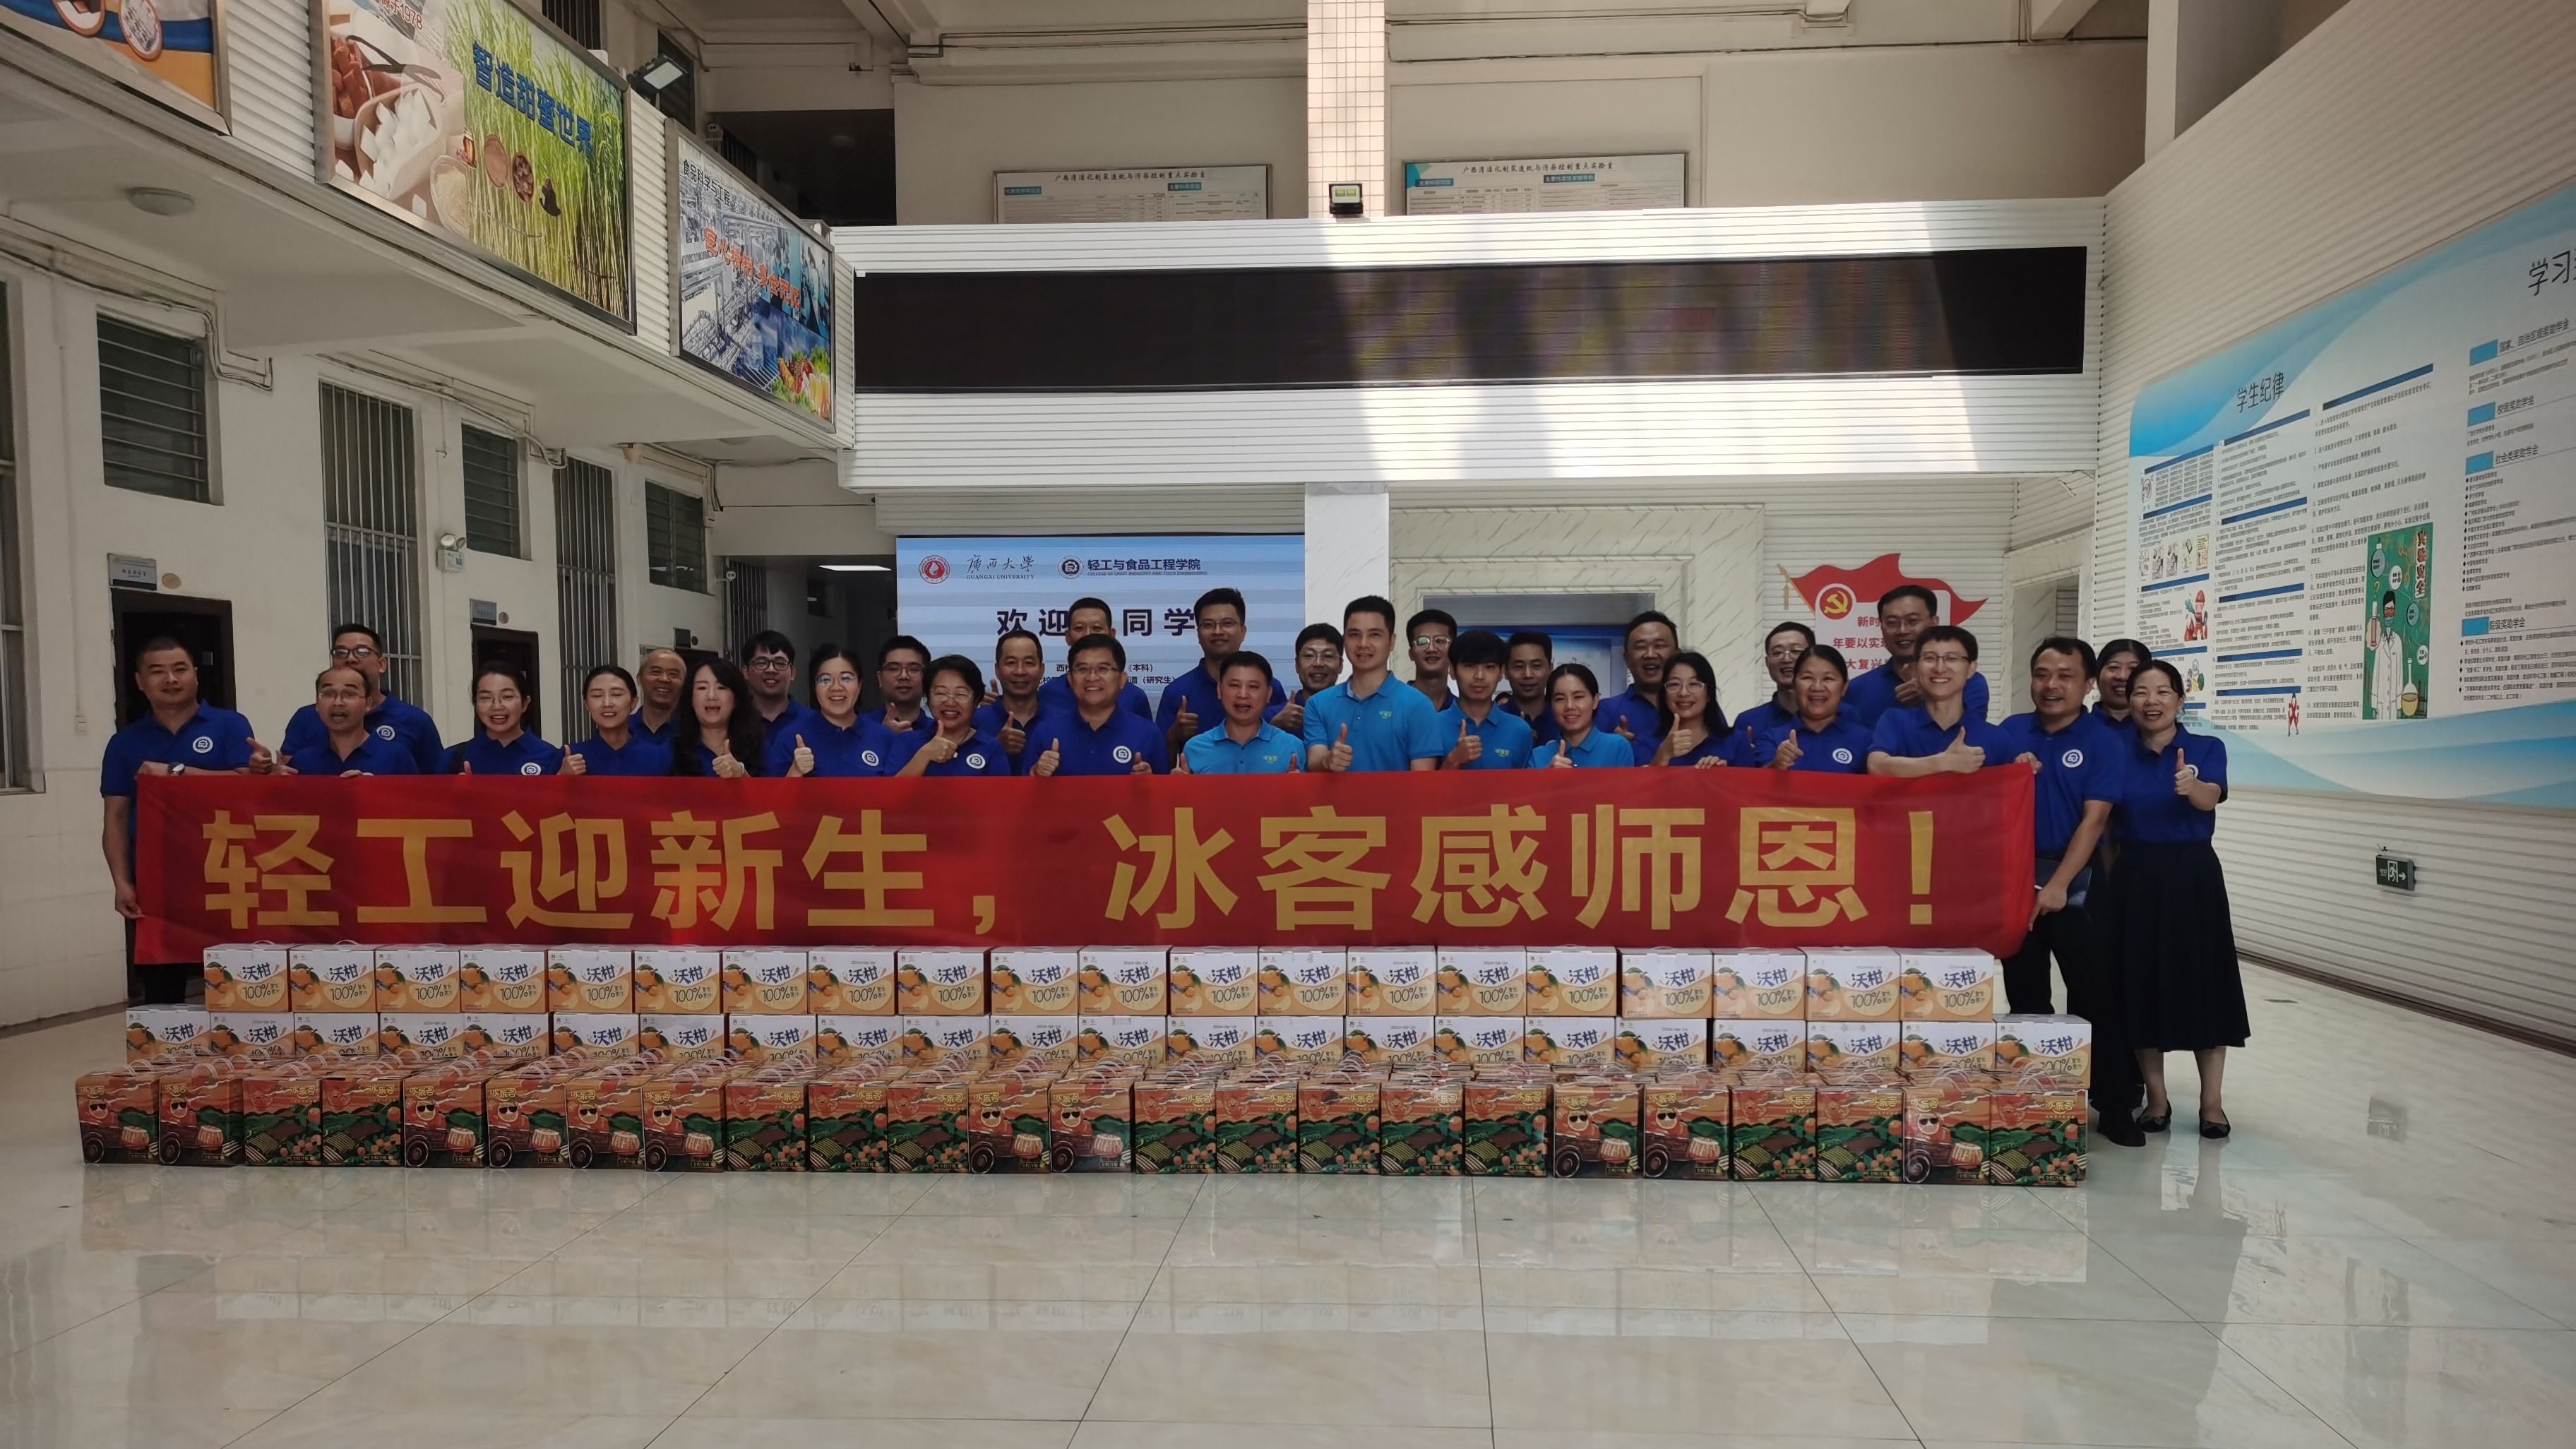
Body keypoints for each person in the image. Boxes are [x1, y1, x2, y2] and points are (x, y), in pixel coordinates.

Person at [1995, 637, 2142, 1147]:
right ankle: (2034, 1102)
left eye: (2065, 675)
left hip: (2078, 882)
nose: (2051, 685)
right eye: (2042, 674)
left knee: (2095, 994)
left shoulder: (2103, 741)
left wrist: (2059, 885)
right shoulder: (2011, 732)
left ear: (2088, 684)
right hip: (2015, 881)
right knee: (2026, 996)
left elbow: (2094, 820)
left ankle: (2115, 1104)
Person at [2097, 661, 2246, 1139]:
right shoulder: (2116, 751)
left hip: (2194, 876)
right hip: (2135, 877)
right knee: (2140, 985)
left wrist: (2191, 787)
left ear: (2181, 700)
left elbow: (2211, 797)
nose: (2151, 701)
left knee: (2206, 986)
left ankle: (2212, 1104)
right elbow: (2105, 824)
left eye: (2163, 691)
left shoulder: (2206, 747)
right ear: (2129, 701)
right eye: (2141, 692)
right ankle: (2156, 1100)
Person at [100, 637, 260, 1002]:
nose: (171, 679)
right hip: (158, 883)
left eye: (180, 669)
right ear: (140, 681)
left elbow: (249, 787)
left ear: (196, 676)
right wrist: (122, 881)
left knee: (237, 988)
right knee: (162, 996)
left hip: (228, 876)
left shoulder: (230, 726)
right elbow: (115, 817)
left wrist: (177, 772)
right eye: (158, 672)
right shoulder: (125, 743)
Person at [1302, 596, 1445, 773]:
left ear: (1392, 641)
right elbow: (1314, 763)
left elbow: (1423, 781)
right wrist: (1328, 760)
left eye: (1374, 635)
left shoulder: (1418, 705)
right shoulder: (1318, 704)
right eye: (1354, 635)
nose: (1363, 644)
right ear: (1344, 640)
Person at [278, 623, 443, 773]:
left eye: (362, 652)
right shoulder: (306, 718)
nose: (350, 659)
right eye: (341, 652)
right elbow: (290, 774)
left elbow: (435, 784)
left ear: (381, 664)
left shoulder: (414, 722)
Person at [1866, 625, 2014, 775]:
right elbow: (1876, 766)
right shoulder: (1895, 722)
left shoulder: (1996, 738)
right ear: (1916, 667)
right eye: (1929, 658)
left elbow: (2012, 785)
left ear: (1971, 668)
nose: (1940, 668)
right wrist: (1943, 762)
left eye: (1952, 658)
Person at [1157, 588, 1285, 754]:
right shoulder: (1177, 692)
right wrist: (1173, 736)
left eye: (1227, 624)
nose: (1218, 632)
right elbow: (1158, 762)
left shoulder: (1269, 687)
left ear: (1243, 631)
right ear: (1198, 634)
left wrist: (1272, 722)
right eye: (1208, 625)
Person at [1844, 585, 1990, 729]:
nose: (1902, 630)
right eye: (1892, 623)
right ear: (1882, 627)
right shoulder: (1857, 689)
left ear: (1934, 623)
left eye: (1913, 621)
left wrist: (1932, 698)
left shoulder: (1969, 682)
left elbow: (1973, 736)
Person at [1028, 634, 1169, 776]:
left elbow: (1166, 788)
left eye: (1103, 669)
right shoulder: (1045, 733)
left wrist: (1151, 782)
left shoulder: (1149, 734)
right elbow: (1025, 788)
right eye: (1083, 669)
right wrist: (1036, 773)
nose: (1092, 677)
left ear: (1122, 679)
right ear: (1070, 679)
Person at [773, 645, 895, 777]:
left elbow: (898, 789)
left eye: (846, 678)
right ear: (814, 687)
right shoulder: (790, 738)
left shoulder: (885, 738)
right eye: (825, 680)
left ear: (859, 685)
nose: (836, 687)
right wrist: (796, 771)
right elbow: (773, 791)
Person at [1747, 645, 1873, 773]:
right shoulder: (1772, 738)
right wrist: (1778, 765)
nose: (1817, 687)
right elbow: (1758, 783)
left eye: (1828, 679)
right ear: (1795, 685)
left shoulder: (1866, 740)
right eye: (1807, 678)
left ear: (1844, 688)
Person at [1176, 651, 1305, 775]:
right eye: (1234, 685)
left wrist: (1298, 786)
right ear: (1220, 690)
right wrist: (1179, 786)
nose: (1243, 695)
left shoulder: (1292, 747)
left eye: (1253, 686)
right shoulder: (1195, 748)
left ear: (1268, 694)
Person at [281, 664, 421, 776]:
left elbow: (415, 802)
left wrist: (374, 790)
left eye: (349, 694)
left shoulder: (396, 757)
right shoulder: (303, 761)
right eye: (328, 694)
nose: (338, 702)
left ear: (368, 704)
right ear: (317, 704)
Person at [891, 656, 1010, 777]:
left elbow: (1003, 790)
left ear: (976, 700)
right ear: (927, 697)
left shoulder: (991, 748)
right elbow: (890, 789)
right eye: (941, 693)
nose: (950, 702)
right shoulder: (907, 742)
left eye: (961, 694)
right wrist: (924, 756)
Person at [1038, 597, 1152, 719]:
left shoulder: (1135, 697)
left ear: (1111, 634)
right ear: (1068, 636)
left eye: (1097, 628)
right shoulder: (1048, 693)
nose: (1088, 635)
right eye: (1079, 628)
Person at [1438, 629, 1534, 770]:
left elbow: (1526, 784)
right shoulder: (1433, 726)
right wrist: (1452, 761)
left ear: (1501, 672)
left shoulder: (1520, 730)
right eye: (1469, 666)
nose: (1479, 676)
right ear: (1452, 670)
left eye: (1489, 667)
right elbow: (1421, 784)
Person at [443, 664, 562, 775]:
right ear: (475, 704)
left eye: (507, 697)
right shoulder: (454, 758)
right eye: (486, 698)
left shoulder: (551, 757)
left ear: (525, 703)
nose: (497, 706)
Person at [563, 666, 674, 777]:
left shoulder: (660, 757)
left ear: (634, 702)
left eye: (617, 694)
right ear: (586, 704)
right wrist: (562, 777)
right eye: (597, 696)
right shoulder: (571, 756)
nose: (607, 703)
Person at [669, 657, 767, 777]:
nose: (711, 696)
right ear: (691, 699)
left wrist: (742, 774)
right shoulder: (671, 748)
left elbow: (774, 789)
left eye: (721, 688)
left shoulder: (759, 747)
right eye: (702, 688)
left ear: (736, 699)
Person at [974, 629, 1048, 773]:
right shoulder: (974, 722)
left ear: (1042, 670)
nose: (1020, 671)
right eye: (1011, 663)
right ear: (997, 670)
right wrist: (995, 747)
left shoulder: (1060, 721)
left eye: (1029, 663)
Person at [1597, 611, 1678, 741]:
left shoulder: (1692, 706)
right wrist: (1614, 748)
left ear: (1677, 655)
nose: (1650, 654)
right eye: (1641, 647)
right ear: (1626, 658)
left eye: (1659, 646)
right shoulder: (1606, 711)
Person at [1532, 664, 1633, 768]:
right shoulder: (1538, 756)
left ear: (1595, 701)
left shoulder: (1618, 747)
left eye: (1578, 697)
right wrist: (1548, 775)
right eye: (1560, 699)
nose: (1570, 706)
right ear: (1551, 705)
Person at [1734, 621, 1815, 745]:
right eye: (1777, 652)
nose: (1786, 659)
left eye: (1796, 651)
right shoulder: (1748, 722)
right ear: (1767, 662)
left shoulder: (1835, 717)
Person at [1642, 652, 1730, 766]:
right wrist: (1663, 756)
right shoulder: (1645, 743)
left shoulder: (1736, 742)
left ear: (1709, 694)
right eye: (1674, 684)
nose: (1683, 693)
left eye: (1694, 684)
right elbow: (1639, 778)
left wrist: (1725, 774)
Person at [1285, 623, 1343, 734]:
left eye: (1328, 656)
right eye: (1309, 656)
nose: (1318, 664)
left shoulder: (1354, 714)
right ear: (1297, 665)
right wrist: (1275, 727)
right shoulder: (1275, 716)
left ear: (1340, 665)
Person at [1504, 631, 1559, 745]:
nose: (1528, 675)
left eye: (1536, 666)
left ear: (1550, 669)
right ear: (1505, 671)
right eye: (1519, 667)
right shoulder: (1493, 721)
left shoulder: (1564, 718)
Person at [874, 636, 935, 734]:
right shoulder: (859, 728)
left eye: (914, 669)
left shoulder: (938, 732)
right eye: (894, 669)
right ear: (880, 679)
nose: (904, 676)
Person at [1405, 607, 1457, 710]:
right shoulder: (1392, 705)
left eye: (1440, 641)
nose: (1431, 649)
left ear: (1454, 651)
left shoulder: (1463, 711)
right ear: (1411, 654)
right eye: (1422, 642)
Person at [632, 647, 688, 742]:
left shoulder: (693, 731)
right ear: (639, 679)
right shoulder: (621, 728)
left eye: (674, 674)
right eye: (656, 672)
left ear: (684, 683)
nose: (664, 679)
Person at [2093, 638, 2149, 732]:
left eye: (2133, 668)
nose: (2123, 677)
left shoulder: (2161, 731)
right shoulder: (2078, 728)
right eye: (2114, 667)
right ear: (2097, 675)